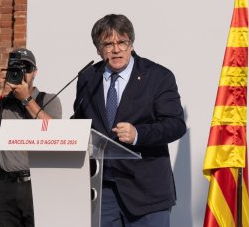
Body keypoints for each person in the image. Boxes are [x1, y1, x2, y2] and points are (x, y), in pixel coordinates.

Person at [73, 14, 186, 227]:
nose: (116, 49)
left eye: (122, 42)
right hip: (103, 190)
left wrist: (138, 134)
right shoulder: (88, 78)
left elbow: (175, 124)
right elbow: (80, 121)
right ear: (98, 49)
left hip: (147, 192)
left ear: (131, 45)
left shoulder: (158, 76)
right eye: (108, 44)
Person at [0, 48, 62, 227]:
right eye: (16, 69)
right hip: (6, 185)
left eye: (27, 69)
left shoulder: (48, 99)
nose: (22, 74)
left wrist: (26, 99)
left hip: (37, 185)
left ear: (35, 72)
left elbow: (54, 132)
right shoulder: (3, 102)